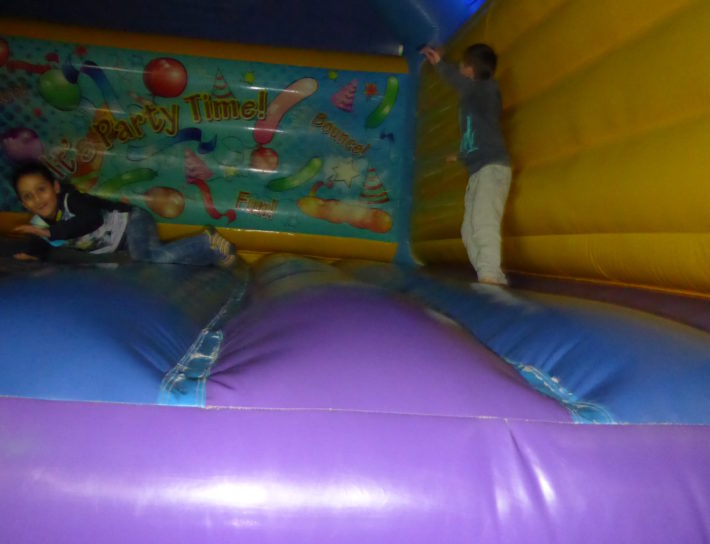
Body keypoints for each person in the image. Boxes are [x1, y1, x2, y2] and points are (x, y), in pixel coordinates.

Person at [9, 161, 237, 267]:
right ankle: (212, 256)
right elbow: (40, 242)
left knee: (145, 259)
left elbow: (92, 220)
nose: (37, 199)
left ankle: (205, 242)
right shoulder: (39, 224)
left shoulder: (72, 201)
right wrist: (32, 254)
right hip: (123, 243)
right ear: (23, 202)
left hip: (132, 221)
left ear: (55, 187)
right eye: (28, 196)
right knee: (158, 260)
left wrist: (51, 232)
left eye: (41, 190)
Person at [421, 43, 512, 285]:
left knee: (483, 221)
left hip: (492, 167)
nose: (459, 68)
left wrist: (440, 64)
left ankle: (489, 273)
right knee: (467, 230)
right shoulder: (473, 97)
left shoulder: (486, 90)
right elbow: (477, 136)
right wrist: (460, 155)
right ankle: (492, 274)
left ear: (471, 68)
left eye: (462, 64)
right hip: (478, 169)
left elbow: (459, 82)